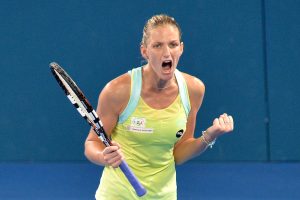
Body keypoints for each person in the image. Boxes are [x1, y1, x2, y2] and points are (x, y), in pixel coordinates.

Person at [84, 14, 234, 199]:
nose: (166, 53)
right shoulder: (118, 91)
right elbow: (92, 143)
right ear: (145, 51)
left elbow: (178, 153)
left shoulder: (194, 90)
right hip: (117, 194)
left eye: (172, 44)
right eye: (157, 45)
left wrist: (209, 136)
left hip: (164, 195)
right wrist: (103, 157)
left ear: (181, 48)